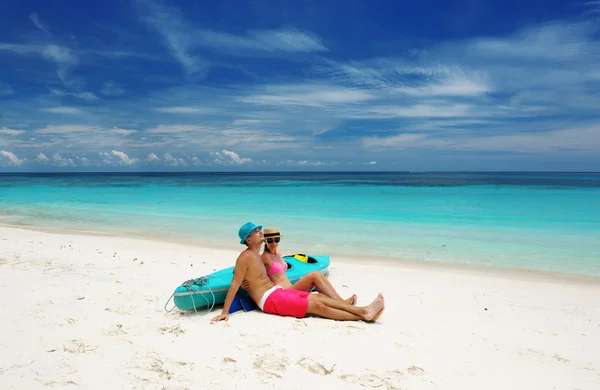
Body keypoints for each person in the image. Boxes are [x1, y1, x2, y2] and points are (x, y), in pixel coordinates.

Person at [210, 222, 384, 323]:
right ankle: (363, 313)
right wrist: (225, 312)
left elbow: (240, 273)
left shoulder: (255, 255)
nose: (260, 233)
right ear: (248, 239)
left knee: (320, 298)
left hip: (277, 292)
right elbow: (234, 281)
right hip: (269, 300)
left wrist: (244, 282)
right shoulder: (246, 256)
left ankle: (363, 311)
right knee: (317, 307)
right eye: (256, 232)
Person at [261, 227, 357, 305]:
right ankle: (343, 303)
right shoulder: (265, 257)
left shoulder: (278, 254)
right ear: (265, 241)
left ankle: (341, 302)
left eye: (276, 240)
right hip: (284, 293)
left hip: (291, 288)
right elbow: (254, 272)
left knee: (317, 274)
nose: (274, 243)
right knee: (314, 275)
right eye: (270, 241)